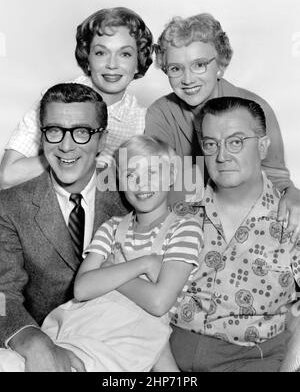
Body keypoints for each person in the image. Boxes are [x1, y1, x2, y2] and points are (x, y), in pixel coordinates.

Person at [0, 135, 204, 372]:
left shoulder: (185, 228)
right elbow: (83, 288)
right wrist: (143, 264)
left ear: (171, 176)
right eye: (130, 175)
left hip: (121, 344)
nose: (141, 183)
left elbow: (159, 302)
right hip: (75, 329)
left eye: (152, 173)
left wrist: (108, 271)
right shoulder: (112, 226)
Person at [0, 83, 129, 372]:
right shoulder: (9, 206)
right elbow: (1, 296)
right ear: (42, 135)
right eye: (54, 131)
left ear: (102, 139)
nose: (66, 146)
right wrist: (33, 341)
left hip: (118, 350)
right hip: (41, 349)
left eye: (82, 132)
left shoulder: (132, 194)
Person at [169, 96, 300, 372]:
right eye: (211, 144)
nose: (221, 155)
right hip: (166, 359)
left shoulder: (292, 222)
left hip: (253, 361)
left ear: (263, 146)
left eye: (236, 142)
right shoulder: (179, 215)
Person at [145, 13, 300, 239]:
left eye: (199, 65)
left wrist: (293, 194)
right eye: (176, 68)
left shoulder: (255, 107)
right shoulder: (160, 113)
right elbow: (158, 188)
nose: (187, 79)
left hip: (250, 220)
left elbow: (275, 177)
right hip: (184, 225)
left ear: (221, 66)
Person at [0, 6, 153, 188]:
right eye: (101, 53)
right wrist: (73, 156)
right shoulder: (54, 100)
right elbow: (7, 176)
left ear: (138, 62)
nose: (112, 64)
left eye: (125, 54)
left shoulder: (142, 121)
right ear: (87, 59)